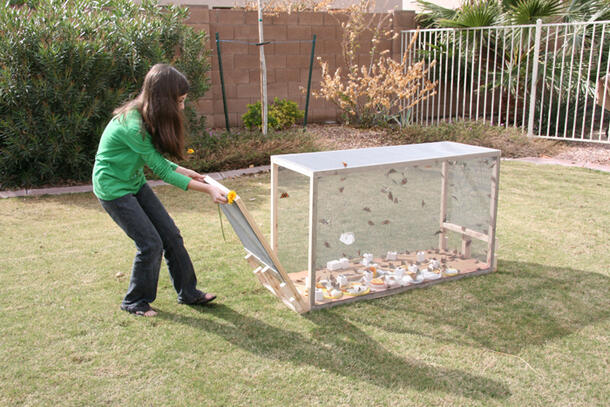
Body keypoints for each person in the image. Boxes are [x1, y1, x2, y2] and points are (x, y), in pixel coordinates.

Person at [92, 64, 227, 317]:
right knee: (150, 244)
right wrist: (208, 191)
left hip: (133, 181)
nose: (183, 107)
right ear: (163, 100)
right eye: (180, 101)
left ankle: (188, 292)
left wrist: (186, 171)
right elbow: (163, 174)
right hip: (112, 188)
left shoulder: (146, 117)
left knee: (171, 236)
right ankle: (134, 302)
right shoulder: (133, 126)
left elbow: (156, 161)